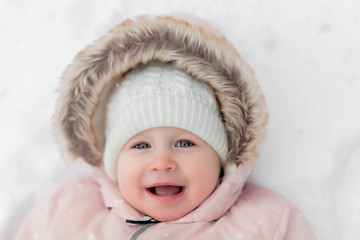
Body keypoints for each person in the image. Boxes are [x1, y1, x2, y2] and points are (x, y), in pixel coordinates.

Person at [17, 15, 316, 239]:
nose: (162, 162)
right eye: (141, 145)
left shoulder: (265, 221)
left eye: (185, 143)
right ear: (113, 163)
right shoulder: (67, 211)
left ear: (221, 158)